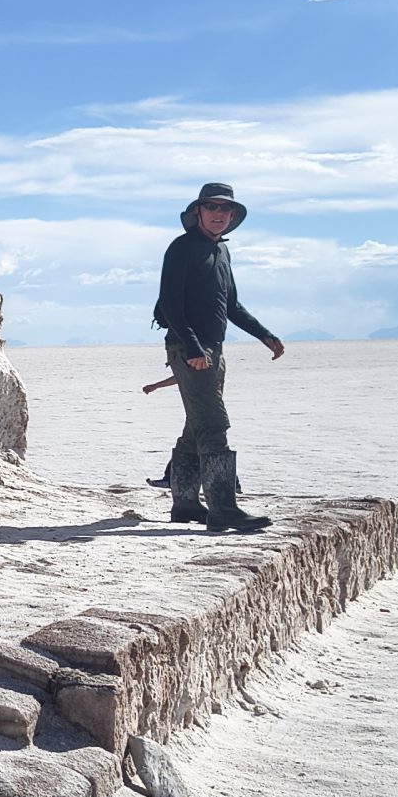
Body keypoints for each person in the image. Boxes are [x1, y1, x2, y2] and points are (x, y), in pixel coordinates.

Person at [152, 180, 285, 533]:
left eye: (226, 209)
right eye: (212, 207)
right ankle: (223, 508)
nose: (219, 214)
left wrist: (265, 335)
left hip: (213, 351)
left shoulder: (222, 252)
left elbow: (231, 305)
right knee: (213, 424)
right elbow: (170, 304)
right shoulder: (182, 249)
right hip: (188, 349)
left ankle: (184, 504)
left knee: (196, 427)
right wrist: (194, 348)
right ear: (197, 211)